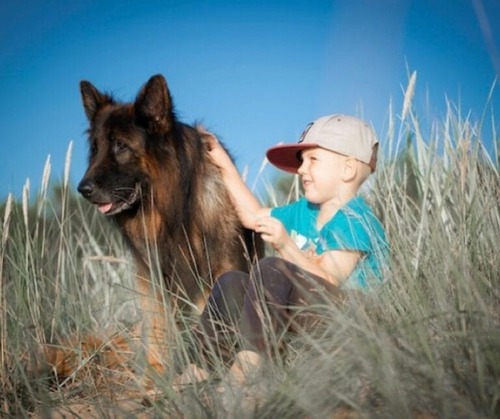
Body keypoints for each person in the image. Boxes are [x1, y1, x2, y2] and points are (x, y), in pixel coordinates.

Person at [176, 114, 389, 395]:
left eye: (313, 160)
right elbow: (252, 216)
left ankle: (250, 365)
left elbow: (331, 279)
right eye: (302, 161)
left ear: (348, 169)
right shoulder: (304, 211)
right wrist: (220, 159)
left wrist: (286, 245)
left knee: (273, 267)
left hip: (346, 322)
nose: (302, 169)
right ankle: (202, 365)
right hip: (304, 316)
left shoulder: (354, 219)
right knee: (232, 282)